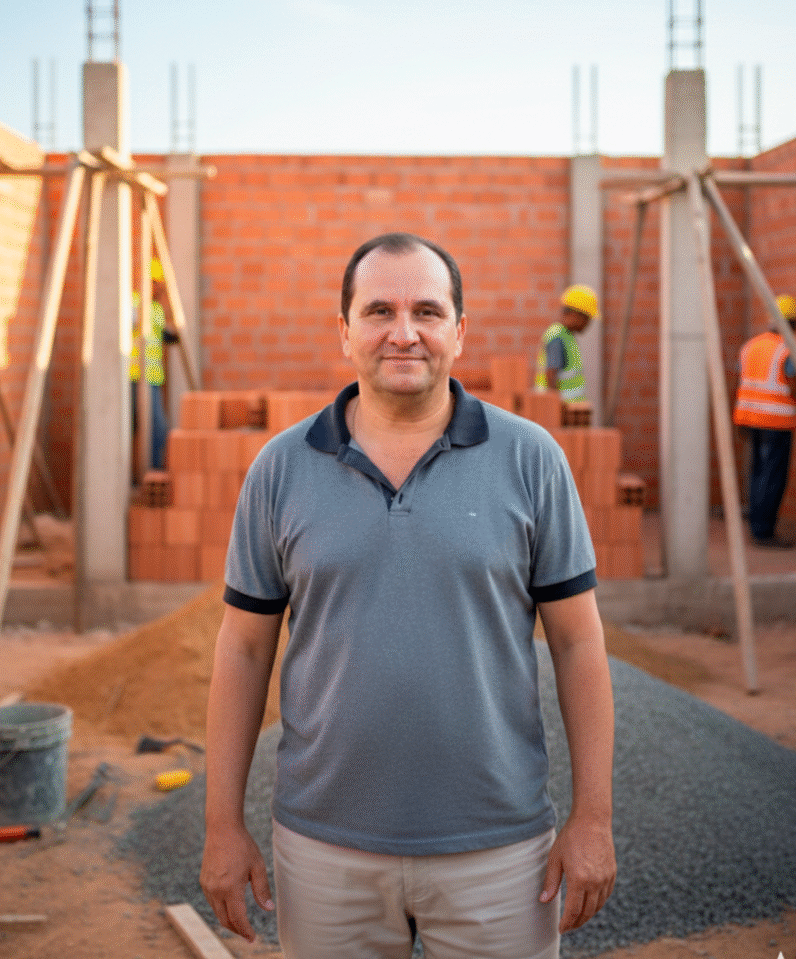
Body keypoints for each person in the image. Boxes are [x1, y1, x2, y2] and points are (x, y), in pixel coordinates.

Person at [201, 232, 616, 959]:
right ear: (345, 332)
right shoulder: (280, 469)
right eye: (379, 311)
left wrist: (594, 818)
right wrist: (220, 826)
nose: (403, 333)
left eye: (427, 311)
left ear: (459, 331)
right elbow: (241, 649)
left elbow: (579, 642)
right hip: (323, 849)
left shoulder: (531, 459)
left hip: (501, 851)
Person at [733, 293, 796, 548]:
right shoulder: (788, 348)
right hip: (775, 421)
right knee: (772, 477)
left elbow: (739, 379)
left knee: (757, 472)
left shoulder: (751, 345)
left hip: (749, 418)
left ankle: (756, 523)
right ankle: (763, 530)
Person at [130, 258, 179, 471]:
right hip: (134, 379)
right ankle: (148, 474)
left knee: (157, 431)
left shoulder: (156, 309)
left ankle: (152, 473)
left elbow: (165, 336)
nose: (158, 289)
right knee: (149, 428)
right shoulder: (134, 303)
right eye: (156, 284)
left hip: (152, 380)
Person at [535, 285, 600, 401]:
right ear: (575, 315)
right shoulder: (558, 338)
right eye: (587, 318)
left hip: (569, 411)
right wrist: (555, 408)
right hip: (560, 412)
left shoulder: (567, 337)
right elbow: (551, 374)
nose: (588, 323)